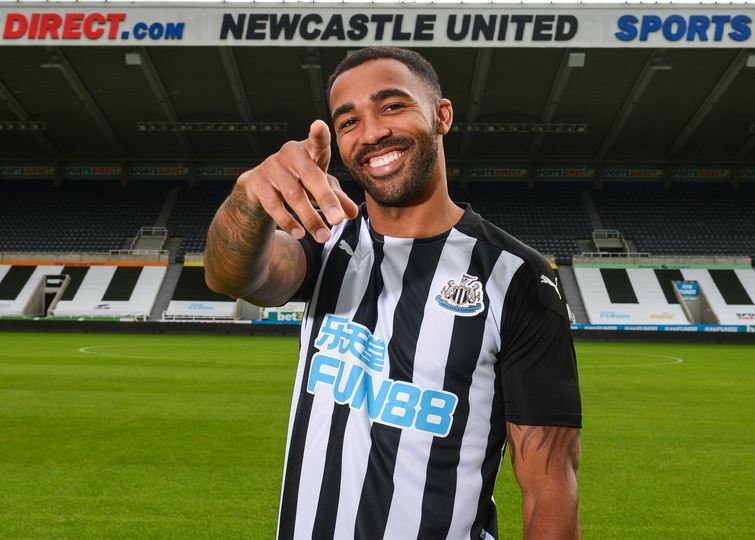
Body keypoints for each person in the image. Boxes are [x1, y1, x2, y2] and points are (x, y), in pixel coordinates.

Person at [205, 46, 582, 540]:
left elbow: (549, 486)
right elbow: (229, 275)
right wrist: (247, 196)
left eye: (391, 106)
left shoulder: (517, 277)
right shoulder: (327, 244)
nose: (371, 133)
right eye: (348, 121)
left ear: (442, 115)